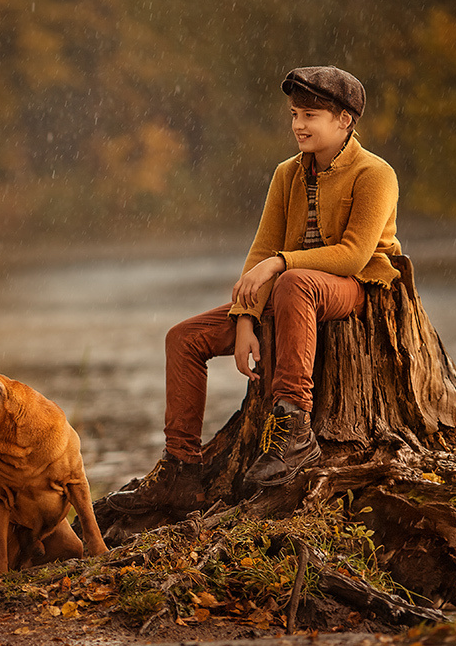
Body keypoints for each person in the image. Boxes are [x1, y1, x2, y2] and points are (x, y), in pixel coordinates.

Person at [107, 66, 400, 514]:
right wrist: (245, 319)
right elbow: (261, 249)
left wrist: (280, 262)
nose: (298, 124)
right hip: (286, 294)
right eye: (294, 114)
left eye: (311, 115)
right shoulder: (287, 174)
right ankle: (181, 472)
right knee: (182, 339)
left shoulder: (374, 173)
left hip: (353, 291)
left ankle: (293, 429)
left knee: (293, 282)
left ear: (345, 120)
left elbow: (353, 255)